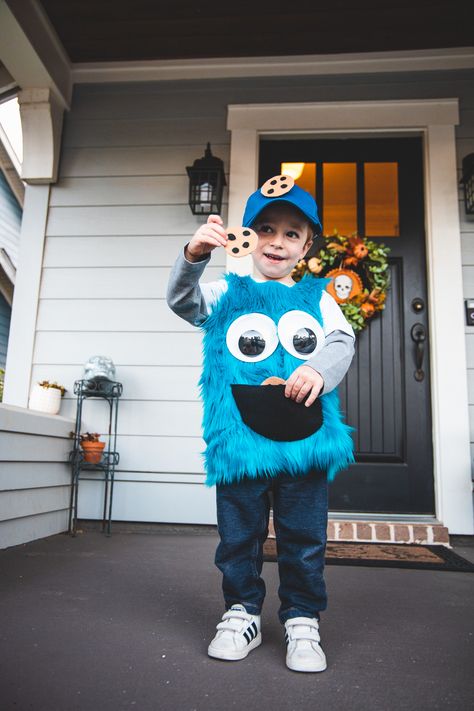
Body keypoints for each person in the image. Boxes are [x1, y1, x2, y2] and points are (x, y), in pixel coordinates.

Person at [166, 178, 356, 673]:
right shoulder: (224, 291)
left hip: (304, 443)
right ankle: (242, 611)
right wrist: (192, 254)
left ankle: (302, 618)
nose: (277, 241)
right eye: (265, 229)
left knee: (304, 537)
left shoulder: (320, 298)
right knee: (238, 537)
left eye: (292, 234)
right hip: (240, 442)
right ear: (242, 237)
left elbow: (341, 343)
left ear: (306, 246)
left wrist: (317, 369)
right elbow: (182, 301)